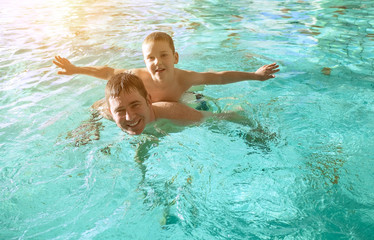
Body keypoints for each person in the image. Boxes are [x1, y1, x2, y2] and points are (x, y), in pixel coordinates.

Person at [53, 31, 279, 103]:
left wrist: (255, 76)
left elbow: (218, 77)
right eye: (150, 58)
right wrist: (76, 69)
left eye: (163, 56)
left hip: (184, 98)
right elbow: (108, 72)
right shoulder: (137, 77)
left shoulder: (185, 78)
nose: (157, 62)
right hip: (154, 112)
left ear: (175, 57)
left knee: (209, 107)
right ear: (144, 62)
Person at [104, 72, 235, 135]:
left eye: (135, 105)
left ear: (148, 101)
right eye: (120, 110)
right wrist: (92, 126)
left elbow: (220, 119)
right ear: (111, 112)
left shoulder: (174, 113)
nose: (129, 117)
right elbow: (96, 107)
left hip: (190, 102)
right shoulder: (108, 111)